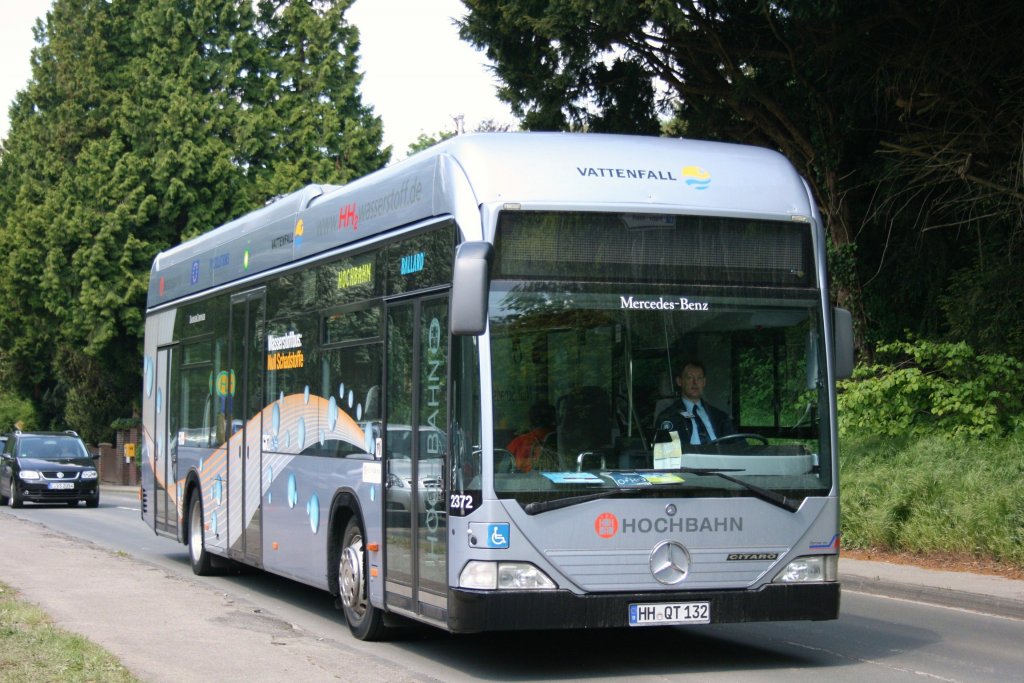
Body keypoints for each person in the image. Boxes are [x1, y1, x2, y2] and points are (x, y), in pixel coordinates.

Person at [654, 361, 735, 445]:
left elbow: (740, 447)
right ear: (679, 381)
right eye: (689, 377)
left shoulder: (720, 417)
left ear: (704, 382)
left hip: (720, 456)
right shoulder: (669, 417)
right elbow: (667, 454)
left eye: (699, 378)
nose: (695, 383)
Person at [507, 401, 556, 472]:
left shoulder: (519, 442)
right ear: (554, 419)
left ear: (531, 420)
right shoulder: (563, 442)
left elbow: (503, 467)